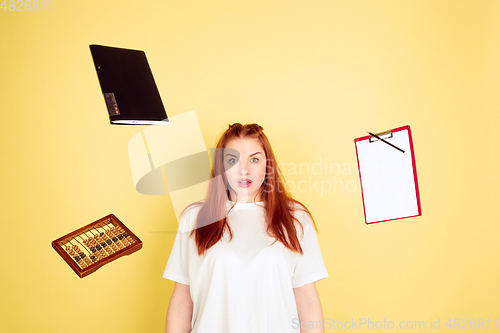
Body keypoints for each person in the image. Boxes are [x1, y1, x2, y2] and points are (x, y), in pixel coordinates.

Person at [163, 123, 329, 333]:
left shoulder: (295, 218)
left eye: (254, 159)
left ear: (267, 165)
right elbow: (182, 300)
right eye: (233, 160)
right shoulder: (195, 218)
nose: (244, 170)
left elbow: (307, 299)